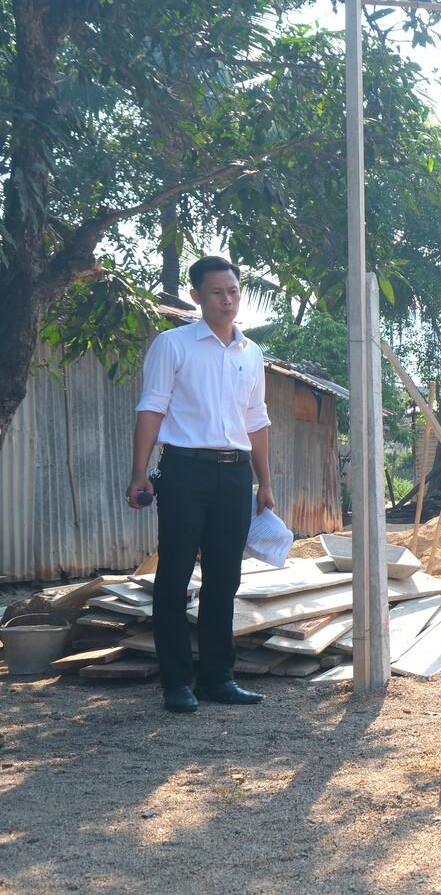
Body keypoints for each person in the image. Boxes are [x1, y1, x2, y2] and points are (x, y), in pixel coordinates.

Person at [126, 256, 274, 713]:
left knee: (225, 577)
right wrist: (138, 472)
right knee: (173, 576)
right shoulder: (173, 345)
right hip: (184, 470)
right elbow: (151, 408)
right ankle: (176, 683)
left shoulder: (251, 352)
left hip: (234, 475)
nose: (227, 300)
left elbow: (256, 420)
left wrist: (263, 482)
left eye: (233, 290)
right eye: (216, 292)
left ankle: (216, 677)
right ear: (197, 296)